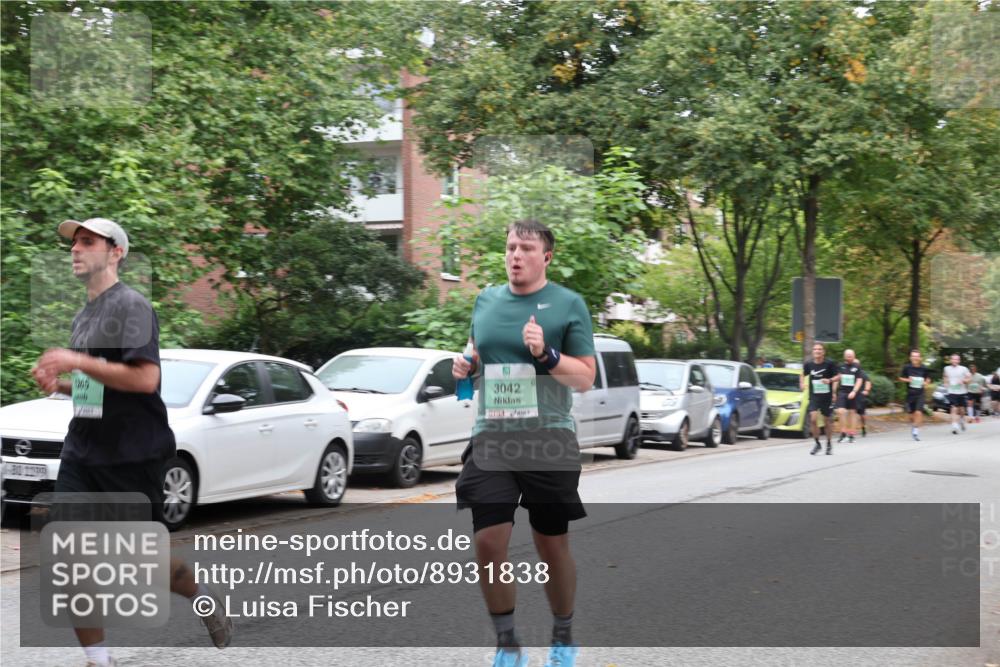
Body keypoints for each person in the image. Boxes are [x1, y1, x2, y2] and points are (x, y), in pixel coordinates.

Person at [30, 218, 232, 667]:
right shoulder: (84, 316)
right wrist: (60, 385)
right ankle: (98, 660)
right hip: (83, 453)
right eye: (73, 243)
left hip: (132, 454)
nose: (75, 249)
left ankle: (203, 599)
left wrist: (72, 359)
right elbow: (96, 391)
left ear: (116, 252)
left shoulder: (132, 307)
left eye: (88, 242)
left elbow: (145, 379)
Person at [452, 220, 596, 667]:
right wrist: (466, 363)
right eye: (510, 246)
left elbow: (586, 378)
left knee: (550, 545)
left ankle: (563, 634)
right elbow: (477, 350)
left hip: (548, 439)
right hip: (492, 437)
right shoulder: (486, 299)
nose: (515, 255)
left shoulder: (569, 305)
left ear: (546, 257)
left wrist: (546, 355)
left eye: (526, 248)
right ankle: (508, 643)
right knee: (489, 542)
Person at [801, 342, 840, 455]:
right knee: (813, 419)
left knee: (827, 420)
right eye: (815, 349)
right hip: (814, 396)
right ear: (813, 352)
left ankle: (828, 443)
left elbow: (838, 376)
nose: (817, 351)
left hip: (826, 396)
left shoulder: (829, 363)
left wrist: (830, 380)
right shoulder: (809, 364)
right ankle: (817, 443)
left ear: (823, 352)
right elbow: (802, 374)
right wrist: (802, 384)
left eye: (819, 349)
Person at [898, 349, 933, 441]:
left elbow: (928, 379)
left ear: (920, 358)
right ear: (910, 357)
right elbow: (900, 378)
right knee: (911, 416)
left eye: (917, 356)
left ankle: (915, 431)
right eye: (913, 356)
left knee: (918, 412)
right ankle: (914, 425)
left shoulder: (924, 368)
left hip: (920, 393)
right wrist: (907, 380)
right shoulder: (907, 367)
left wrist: (926, 383)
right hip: (910, 394)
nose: (915, 358)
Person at [834, 349, 864, 443]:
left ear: (854, 356)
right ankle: (843, 433)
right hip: (842, 391)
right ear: (844, 357)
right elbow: (837, 378)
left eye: (851, 356)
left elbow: (859, 380)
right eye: (847, 356)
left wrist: (854, 391)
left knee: (852, 413)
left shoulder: (857, 366)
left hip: (853, 392)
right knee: (840, 411)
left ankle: (851, 434)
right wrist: (833, 392)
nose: (849, 357)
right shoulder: (840, 366)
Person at [942, 353, 971, 434]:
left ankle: (961, 420)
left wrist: (964, 381)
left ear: (959, 360)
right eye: (953, 359)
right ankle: (954, 426)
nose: (954, 360)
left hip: (962, 392)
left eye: (956, 359)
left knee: (962, 410)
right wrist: (945, 383)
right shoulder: (946, 368)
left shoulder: (963, 369)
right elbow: (945, 376)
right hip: (952, 391)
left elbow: (969, 378)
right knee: (954, 408)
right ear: (951, 360)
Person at [854, 359, 872, 437]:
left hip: (860, 396)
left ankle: (863, 427)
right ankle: (851, 431)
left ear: (859, 365)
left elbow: (868, 382)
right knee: (851, 412)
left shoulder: (862, 373)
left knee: (861, 414)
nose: (855, 365)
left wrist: (866, 390)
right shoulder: (850, 372)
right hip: (851, 395)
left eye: (856, 364)